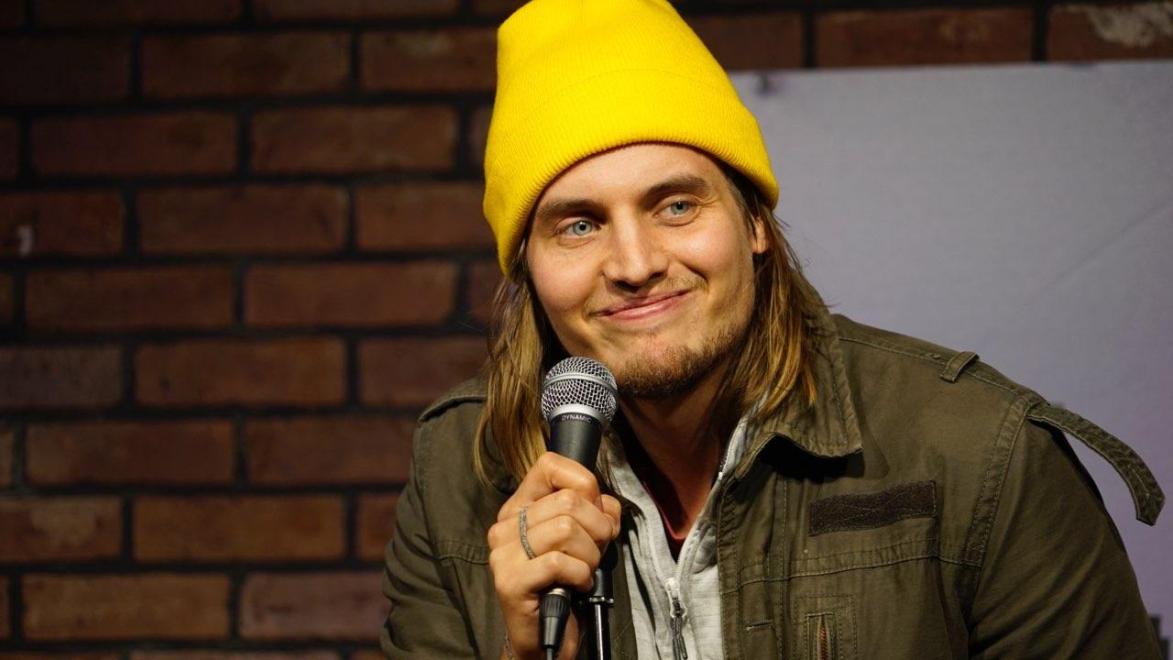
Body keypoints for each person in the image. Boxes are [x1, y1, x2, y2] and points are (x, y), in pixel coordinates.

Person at [380, 1, 1165, 658]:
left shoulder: (978, 452)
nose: (634, 263)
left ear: (754, 222)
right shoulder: (460, 466)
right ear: (526, 267)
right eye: (578, 225)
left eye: (675, 206)